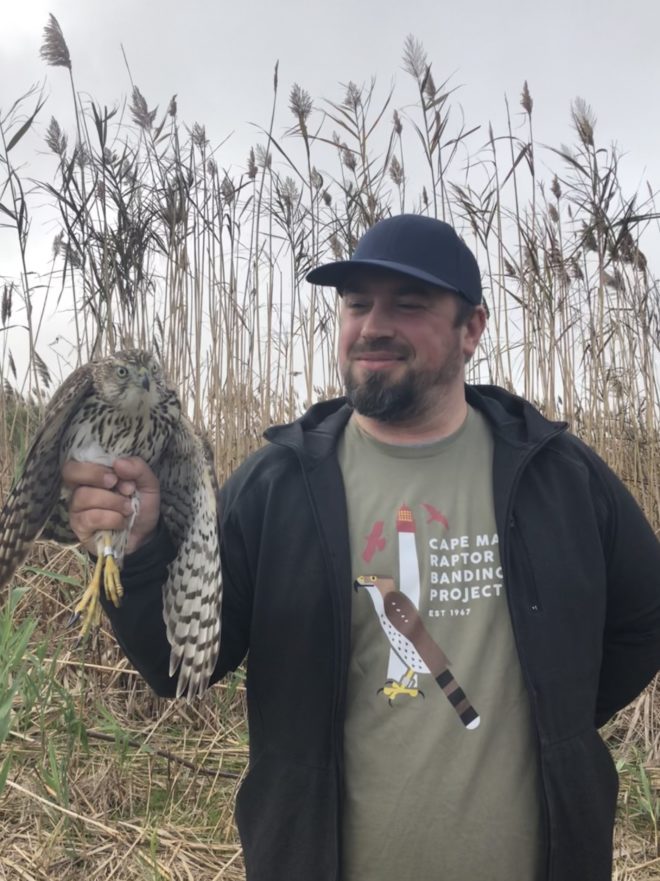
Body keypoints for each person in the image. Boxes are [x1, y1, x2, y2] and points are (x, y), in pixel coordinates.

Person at [63, 214, 660, 881]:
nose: (373, 325)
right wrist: (138, 552)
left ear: (472, 329)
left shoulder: (558, 474)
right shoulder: (277, 484)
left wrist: (556, 714)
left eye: (408, 304)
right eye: (356, 304)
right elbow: (179, 669)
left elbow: (645, 620)